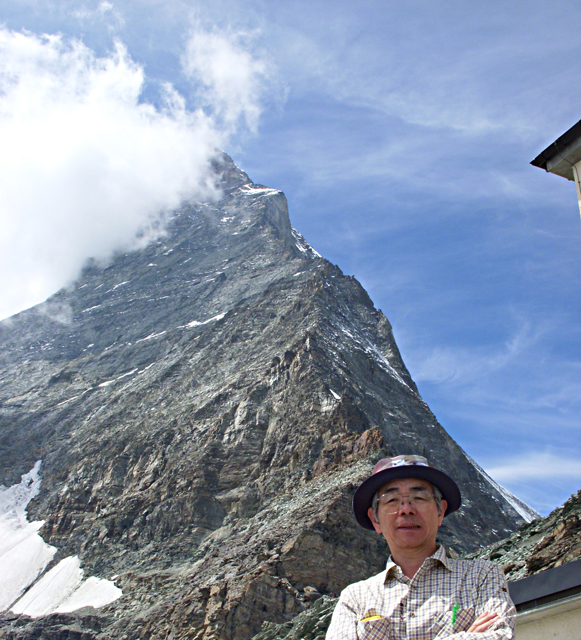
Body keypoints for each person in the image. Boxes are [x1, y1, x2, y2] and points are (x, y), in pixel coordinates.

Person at [326, 454, 515, 639]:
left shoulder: (481, 577)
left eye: (419, 498)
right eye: (392, 500)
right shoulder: (355, 599)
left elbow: (500, 635)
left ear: (440, 511)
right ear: (375, 519)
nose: (406, 509)